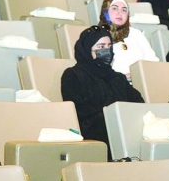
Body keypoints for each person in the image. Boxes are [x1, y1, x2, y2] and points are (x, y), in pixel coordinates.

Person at [61, 26, 144, 160]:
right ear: (87, 49)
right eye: (100, 46)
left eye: (108, 46)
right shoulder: (73, 75)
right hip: (93, 130)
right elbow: (79, 109)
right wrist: (111, 115)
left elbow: (138, 102)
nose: (106, 50)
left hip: (123, 127)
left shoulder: (118, 77)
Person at [100, 0, 158, 80]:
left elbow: (152, 61)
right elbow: (98, 69)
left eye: (124, 10)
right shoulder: (97, 36)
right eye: (115, 8)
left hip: (143, 80)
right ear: (105, 11)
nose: (120, 13)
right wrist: (122, 77)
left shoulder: (136, 33)